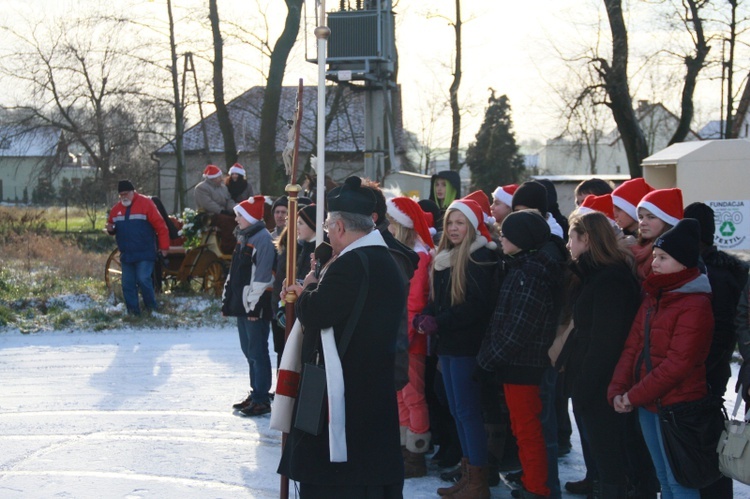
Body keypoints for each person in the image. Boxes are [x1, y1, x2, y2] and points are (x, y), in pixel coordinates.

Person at [277, 176, 407, 498]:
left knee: (340, 479)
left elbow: (318, 312)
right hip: (369, 382)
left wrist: (307, 288)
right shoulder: (382, 259)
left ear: (338, 228)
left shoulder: (353, 263)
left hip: (345, 388)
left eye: (327, 229)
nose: (327, 236)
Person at [608, 219, 714, 499]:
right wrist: (618, 389)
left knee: (680, 481)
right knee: (664, 479)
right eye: (654, 256)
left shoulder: (696, 304)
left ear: (683, 263)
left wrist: (633, 396)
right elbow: (632, 347)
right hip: (647, 403)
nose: (655, 263)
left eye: (663, 258)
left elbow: (678, 365)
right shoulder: (654, 295)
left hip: (679, 407)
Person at [414, 198, 498, 499]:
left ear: (472, 227)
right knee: (457, 410)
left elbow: (476, 307)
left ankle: (477, 480)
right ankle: (468, 474)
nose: (453, 228)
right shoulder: (443, 258)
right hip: (447, 346)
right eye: (449, 222)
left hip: (467, 346)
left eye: (459, 223)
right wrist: (425, 315)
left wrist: (439, 321)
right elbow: (439, 302)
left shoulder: (479, 259)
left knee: (467, 411)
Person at [477, 210, 561, 499]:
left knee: (527, 430)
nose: (501, 237)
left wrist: (488, 359)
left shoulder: (530, 273)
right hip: (517, 363)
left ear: (522, 239)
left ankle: (537, 488)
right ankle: (532, 481)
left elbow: (518, 328)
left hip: (525, 364)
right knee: (522, 428)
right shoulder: (520, 266)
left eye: (507, 234)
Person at [560, 212, 641, 498]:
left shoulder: (610, 280)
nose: (568, 244)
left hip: (605, 383)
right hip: (597, 380)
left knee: (611, 458)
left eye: (571, 237)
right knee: (606, 456)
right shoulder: (595, 274)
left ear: (587, 239)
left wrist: (584, 386)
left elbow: (605, 342)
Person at [685, 202, 748, 499]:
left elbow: (723, 330)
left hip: (705, 373)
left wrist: (704, 369)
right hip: (707, 370)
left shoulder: (715, 274)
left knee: (708, 444)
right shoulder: (714, 269)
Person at [386, 196, 435, 478]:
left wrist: (398, 339)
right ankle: (404, 445)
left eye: (391, 223)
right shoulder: (406, 255)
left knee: (412, 396)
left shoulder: (417, 257)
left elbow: (414, 304)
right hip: (400, 338)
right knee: (400, 395)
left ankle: (416, 451)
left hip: (409, 341)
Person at [222, 195, 275, 417]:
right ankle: (255, 393)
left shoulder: (262, 239)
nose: (236, 220)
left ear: (251, 218)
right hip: (243, 305)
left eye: (240, 216)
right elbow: (234, 273)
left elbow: (262, 277)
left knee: (257, 351)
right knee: (248, 351)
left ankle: (262, 397)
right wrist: (227, 299)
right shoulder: (244, 237)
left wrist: (255, 307)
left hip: (254, 307)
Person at [106, 180, 170, 315]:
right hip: (127, 255)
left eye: (126, 194)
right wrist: (110, 229)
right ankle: (133, 312)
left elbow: (161, 226)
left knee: (143, 279)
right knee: (127, 284)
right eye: (121, 194)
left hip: (145, 253)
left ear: (133, 192)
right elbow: (111, 227)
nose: (124, 197)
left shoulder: (146, 204)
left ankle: (151, 308)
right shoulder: (115, 210)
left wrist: (164, 247)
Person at [632, 188, 683, 280]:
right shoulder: (637, 251)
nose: (642, 222)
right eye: (640, 217)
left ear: (667, 220)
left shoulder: (677, 255)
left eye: (651, 217)